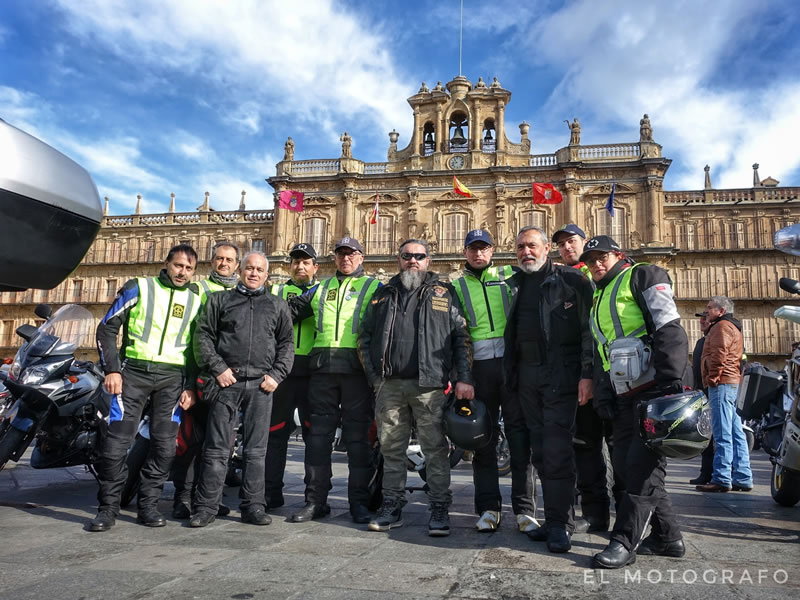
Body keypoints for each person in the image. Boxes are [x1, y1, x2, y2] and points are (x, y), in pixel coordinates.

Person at [581, 235, 690, 569]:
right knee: (631, 468)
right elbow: (604, 348)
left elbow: (669, 326)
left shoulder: (645, 275)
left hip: (654, 390)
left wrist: (671, 383)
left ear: (618, 254)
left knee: (642, 470)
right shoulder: (598, 296)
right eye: (590, 260)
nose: (596, 264)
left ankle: (624, 540)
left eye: (602, 257)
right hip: (624, 395)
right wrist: (604, 394)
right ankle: (668, 538)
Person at [359, 239, 473, 536]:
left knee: (435, 449)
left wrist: (464, 377)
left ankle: (438, 506)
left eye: (419, 256)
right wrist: (375, 378)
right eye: (407, 255)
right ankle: (392, 505)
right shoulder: (382, 294)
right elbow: (365, 337)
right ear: (398, 259)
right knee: (391, 449)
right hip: (390, 385)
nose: (413, 261)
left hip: (430, 386)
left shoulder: (445, 294)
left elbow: (461, 339)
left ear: (428, 260)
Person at [89, 244, 201, 532]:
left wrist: (189, 386)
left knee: (165, 447)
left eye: (189, 268)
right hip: (134, 374)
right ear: (166, 264)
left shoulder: (196, 298)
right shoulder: (140, 287)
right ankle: (107, 508)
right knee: (115, 445)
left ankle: (148, 506)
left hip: (172, 379)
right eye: (178, 265)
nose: (183, 272)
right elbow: (107, 327)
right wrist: (112, 369)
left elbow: (194, 349)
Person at [504, 226, 594, 554]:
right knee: (539, 451)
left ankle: (560, 525)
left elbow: (589, 331)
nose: (526, 252)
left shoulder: (572, 281)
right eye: (520, 248)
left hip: (560, 376)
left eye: (532, 246)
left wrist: (587, 374)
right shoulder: (512, 284)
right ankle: (556, 517)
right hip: (526, 379)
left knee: (557, 452)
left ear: (546, 249)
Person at [189, 252, 294, 527]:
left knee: (257, 451)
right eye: (249, 268)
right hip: (228, 383)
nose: (254, 273)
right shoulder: (219, 300)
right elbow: (203, 336)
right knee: (216, 448)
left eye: (260, 269)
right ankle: (206, 507)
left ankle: (253, 507)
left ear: (266, 275)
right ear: (240, 271)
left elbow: (286, 344)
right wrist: (218, 368)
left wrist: (277, 375)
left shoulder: (278, 306)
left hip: (261, 385)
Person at [288, 237, 381, 524]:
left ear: (361, 257)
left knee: (357, 442)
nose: (345, 259)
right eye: (341, 254)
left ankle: (359, 504)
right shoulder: (322, 287)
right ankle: (315, 502)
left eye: (351, 254)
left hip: (356, 372)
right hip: (322, 371)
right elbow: (287, 313)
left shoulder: (374, 287)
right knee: (317, 439)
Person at [452, 229, 536, 533]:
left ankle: (525, 509)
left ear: (492, 250)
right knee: (482, 439)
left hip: (512, 368)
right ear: (465, 253)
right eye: (472, 249)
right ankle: (488, 508)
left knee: (519, 438)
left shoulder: (510, 275)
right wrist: (463, 376)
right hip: (479, 371)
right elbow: (458, 336)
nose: (478, 254)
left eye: (483, 248)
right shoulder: (457, 287)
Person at [552, 224, 621, 533]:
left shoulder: (592, 280)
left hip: (603, 376)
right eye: (562, 244)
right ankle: (596, 513)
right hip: (585, 375)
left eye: (572, 242)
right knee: (587, 445)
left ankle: (620, 512)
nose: (567, 248)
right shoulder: (571, 279)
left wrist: (587, 374)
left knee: (612, 447)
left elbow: (591, 332)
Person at [172, 241, 240, 520]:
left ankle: (208, 497)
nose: (223, 264)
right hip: (202, 375)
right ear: (212, 261)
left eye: (229, 260)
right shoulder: (198, 289)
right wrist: (187, 383)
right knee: (193, 441)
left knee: (220, 443)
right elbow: (190, 337)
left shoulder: (241, 293)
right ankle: (182, 498)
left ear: (237, 265)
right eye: (219, 259)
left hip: (230, 381)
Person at [264, 243, 320, 508]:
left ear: (315, 267)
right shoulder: (275, 290)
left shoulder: (323, 293)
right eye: (296, 262)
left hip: (312, 371)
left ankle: (313, 496)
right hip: (281, 371)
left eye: (306, 262)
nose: (300, 266)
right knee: (275, 433)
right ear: (290, 266)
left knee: (313, 436)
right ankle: (270, 491)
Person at [697, 296, 753, 493]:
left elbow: (719, 354)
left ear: (721, 311)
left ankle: (721, 477)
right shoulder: (731, 326)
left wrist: (712, 378)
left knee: (722, 433)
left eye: (710, 308)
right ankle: (743, 476)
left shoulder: (721, 327)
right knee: (736, 431)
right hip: (730, 383)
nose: (706, 311)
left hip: (721, 383)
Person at [689, 311, 715, 485]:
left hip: (712, 390)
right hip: (702, 392)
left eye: (705, 318)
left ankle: (713, 473)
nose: (701, 321)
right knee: (706, 433)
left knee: (715, 435)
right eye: (700, 318)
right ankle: (706, 472)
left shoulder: (715, 338)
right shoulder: (701, 341)